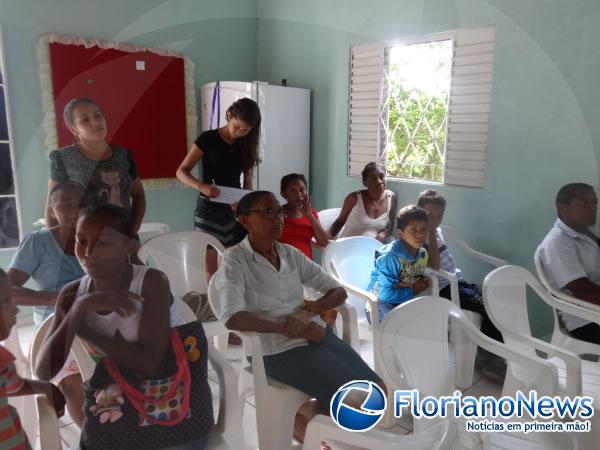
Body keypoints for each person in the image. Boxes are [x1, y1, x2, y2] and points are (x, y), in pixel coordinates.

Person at [213, 191, 385, 446]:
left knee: (378, 390)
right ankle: (310, 433)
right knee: (352, 401)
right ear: (245, 221)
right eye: (267, 212)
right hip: (275, 351)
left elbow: (337, 291)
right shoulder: (235, 260)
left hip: (316, 336)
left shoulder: (289, 254)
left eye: (279, 212)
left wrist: (309, 312)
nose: (278, 218)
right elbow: (232, 318)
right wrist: (288, 328)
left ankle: (299, 417)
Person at [34, 205, 212, 450]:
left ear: (130, 245)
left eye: (103, 242)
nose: (88, 253)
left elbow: (149, 364)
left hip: (170, 387)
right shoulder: (73, 294)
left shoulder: (151, 283)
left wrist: (85, 330)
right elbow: (44, 371)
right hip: (114, 392)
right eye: (81, 241)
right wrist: (77, 311)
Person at [8, 181, 87, 426]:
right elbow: (8, 291)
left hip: (97, 323)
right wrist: (56, 299)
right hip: (54, 329)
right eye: (65, 205)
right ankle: (95, 440)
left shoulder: (98, 238)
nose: (74, 211)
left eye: (80, 204)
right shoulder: (38, 243)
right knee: (75, 384)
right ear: (52, 211)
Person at [176, 97, 261, 278]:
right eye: (237, 126)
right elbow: (181, 172)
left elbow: (247, 184)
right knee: (210, 271)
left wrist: (244, 203)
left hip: (235, 210)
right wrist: (202, 186)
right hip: (208, 209)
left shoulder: (247, 146)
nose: (240, 132)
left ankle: (233, 303)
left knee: (234, 266)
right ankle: (212, 304)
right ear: (229, 115)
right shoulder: (208, 139)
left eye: (245, 130)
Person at [45, 98, 146, 234]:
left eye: (97, 115)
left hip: (122, 240)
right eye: (85, 120)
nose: (95, 122)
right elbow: (52, 205)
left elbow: (138, 194)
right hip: (81, 243)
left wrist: (133, 228)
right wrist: (55, 244)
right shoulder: (62, 158)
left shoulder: (124, 155)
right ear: (74, 130)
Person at [417, 190, 503, 342]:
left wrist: (433, 231)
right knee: (484, 306)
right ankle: (489, 350)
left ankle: (500, 346)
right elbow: (434, 267)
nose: (435, 220)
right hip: (444, 289)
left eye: (439, 216)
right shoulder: (419, 237)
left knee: (492, 299)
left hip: (457, 282)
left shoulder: (436, 232)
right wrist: (429, 231)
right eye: (430, 215)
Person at [0, 268, 65, 450]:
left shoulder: (3, 360)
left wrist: (46, 387)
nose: (16, 309)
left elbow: (14, 386)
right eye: (5, 303)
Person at [537, 183, 600, 344]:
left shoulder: (586, 232)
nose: (592, 208)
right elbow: (581, 290)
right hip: (584, 319)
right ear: (562, 208)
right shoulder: (557, 243)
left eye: (595, 203)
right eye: (583, 204)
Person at [366, 205, 430, 324]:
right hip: (378, 306)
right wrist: (414, 291)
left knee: (426, 322)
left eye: (423, 229)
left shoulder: (422, 253)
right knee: (400, 327)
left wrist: (421, 282)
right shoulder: (391, 257)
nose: (420, 235)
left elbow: (412, 279)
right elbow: (384, 295)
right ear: (400, 234)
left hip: (402, 302)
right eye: (414, 230)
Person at [329, 162, 397, 242]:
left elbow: (390, 223)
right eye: (373, 178)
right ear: (365, 183)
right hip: (348, 246)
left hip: (371, 248)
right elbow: (339, 222)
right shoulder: (354, 198)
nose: (379, 181)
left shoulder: (391, 197)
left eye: (382, 176)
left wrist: (384, 234)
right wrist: (328, 240)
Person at [279, 173, 329, 260]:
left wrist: (309, 215)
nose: (298, 195)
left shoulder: (311, 213)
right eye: (292, 191)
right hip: (284, 266)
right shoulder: (277, 214)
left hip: (307, 266)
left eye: (302, 190)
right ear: (283, 194)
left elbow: (324, 242)